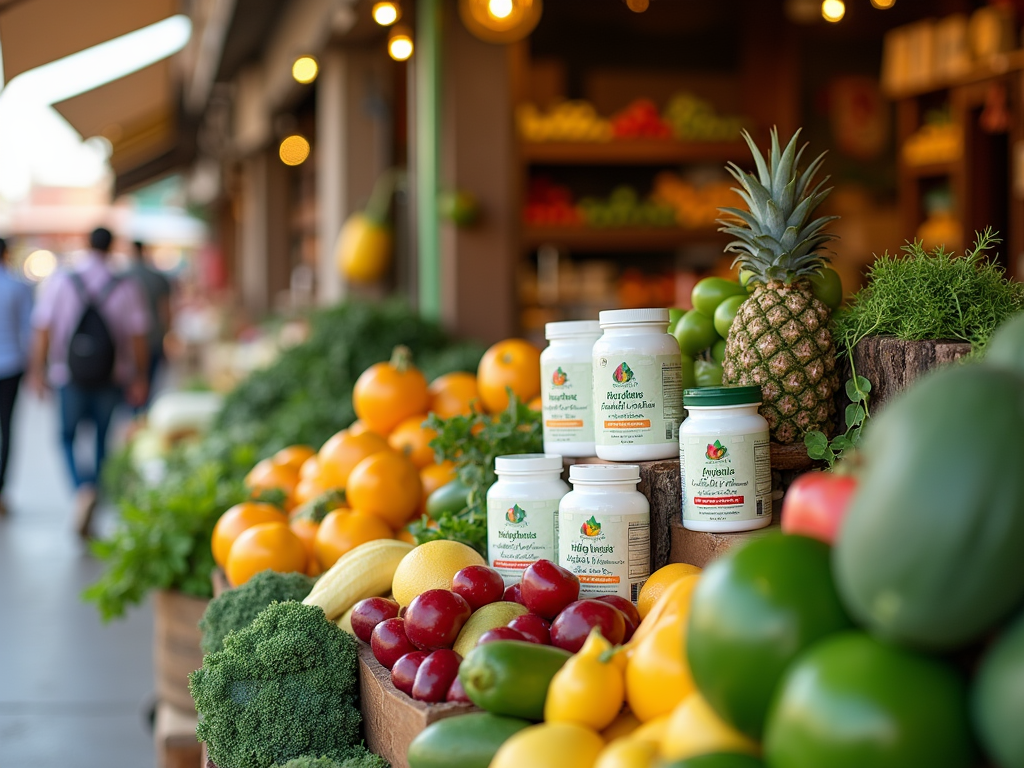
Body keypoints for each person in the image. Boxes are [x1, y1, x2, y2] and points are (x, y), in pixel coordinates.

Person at [28, 227, 150, 538]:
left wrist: (37, 371)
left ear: (86, 244)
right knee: (101, 437)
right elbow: (138, 336)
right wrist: (140, 376)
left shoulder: (62, 280)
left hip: (68, 375)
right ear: (113, 247)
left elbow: (43, 328)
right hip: (112, 375)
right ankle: (93, 488)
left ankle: (82, 489)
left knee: (66, 436)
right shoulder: (125, 285)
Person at [0, 237, 33, 516]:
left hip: (11, 365)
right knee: (6, 429)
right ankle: (1, 491)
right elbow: (29, 331)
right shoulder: (17, 286)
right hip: (10, 367)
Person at [125, 240, 171, 406]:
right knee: (147, 386)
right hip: (153, 339)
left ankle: (134, 417)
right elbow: (166, 312)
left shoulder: (122, 276)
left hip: (127, 343)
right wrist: (167, 337)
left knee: (129, 387)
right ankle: (141, 416)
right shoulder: (157, 278)